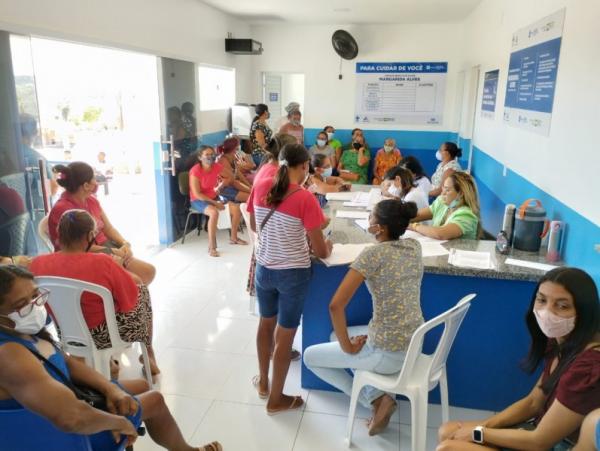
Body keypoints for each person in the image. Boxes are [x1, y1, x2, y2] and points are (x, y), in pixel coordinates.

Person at [0, 265, 222, 451]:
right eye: (22, 305)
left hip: (65, 402)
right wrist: (119, 423)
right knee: (154, 400)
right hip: (59, 436)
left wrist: (110, 389)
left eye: (35, 296)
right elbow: (70, 417)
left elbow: (65, 362)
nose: (35, 307)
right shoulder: (9, 354)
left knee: (142, 384)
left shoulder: (23, 332)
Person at [437, 267, 600, 451]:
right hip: (538, 431)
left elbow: (540, 441)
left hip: (557, 445)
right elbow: (533, 402)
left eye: (562, 306)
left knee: (448, 448)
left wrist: (478, 432)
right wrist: (485, 425)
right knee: (447, 431)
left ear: (584, 311)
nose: (548, 312)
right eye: (542, 300)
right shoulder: (562, 342)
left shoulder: (588, 366)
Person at [304, 199, 422, 436]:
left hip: (388, 352)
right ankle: (378, 395)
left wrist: (347, 347)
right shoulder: (414, 246)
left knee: (310, 357)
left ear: (379, 228)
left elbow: (336, 306)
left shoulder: (371, 254)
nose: (368, 221)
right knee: (334, 336)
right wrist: (347, 344)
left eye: (371, 217)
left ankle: (375, 402)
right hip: (414, 343)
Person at [247, 144, 332, 415]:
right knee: (285, 337)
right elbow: (320, 250)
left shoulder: (261, 186)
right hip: (293, 275)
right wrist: (327, 245)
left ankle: (263, 383)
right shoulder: (304, 197)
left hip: (264, 268)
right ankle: (276, 400)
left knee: (265, 324)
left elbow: (252, 225)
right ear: (305, 167)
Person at [30, 209, 160, 378]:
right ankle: (148, 352)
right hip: (104, 335)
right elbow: (131, 292)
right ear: (89, 235)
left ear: (59, 234)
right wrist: (120, 268)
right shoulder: (102, 262)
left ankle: (106, 363)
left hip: (66, 332)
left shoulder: (38, 264)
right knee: (142, 291)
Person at [49, 162, 156, 285]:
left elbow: (108, 228)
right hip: (83, 256)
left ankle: (126, 301)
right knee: (135, 282)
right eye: (93, 178)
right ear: (86, 185)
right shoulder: (63, 209)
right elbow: (77, 246)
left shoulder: (91, 200)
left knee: (148, 272)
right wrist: (110, 252)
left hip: (105, 248)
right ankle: (122, 301)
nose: (96, 182)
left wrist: (124, 244)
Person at [189, 146, 247, 257]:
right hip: (198, 200)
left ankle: (234, 238)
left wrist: (220, 186)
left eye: (212, 154)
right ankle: (212, 247)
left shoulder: (216, 166)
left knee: (236, 209)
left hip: (214, 197)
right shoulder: (195, 171)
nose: (210, 157)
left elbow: (230, 177)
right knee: (214, 213)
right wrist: (215, 203)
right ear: (200, 157)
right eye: (207, 155)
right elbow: (197, 194)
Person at [409, 172, 481, 240]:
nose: (442, 193)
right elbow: (417, 215)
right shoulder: (442, 203)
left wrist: (414, 226)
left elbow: (441, 234)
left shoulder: (467, 215)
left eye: (447, 190)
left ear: (461, 194)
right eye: (443, 187)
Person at [215, 137, 251, 202]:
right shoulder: (222, 161)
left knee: (252, 193)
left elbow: (238, 173)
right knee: (251, 198)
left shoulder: (232, 156)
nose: (239, 147)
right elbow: (233, 182)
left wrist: (249, 185)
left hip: (233, 185)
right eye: (238, 145)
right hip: (225, 189)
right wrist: (251, 190)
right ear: (234, 148)